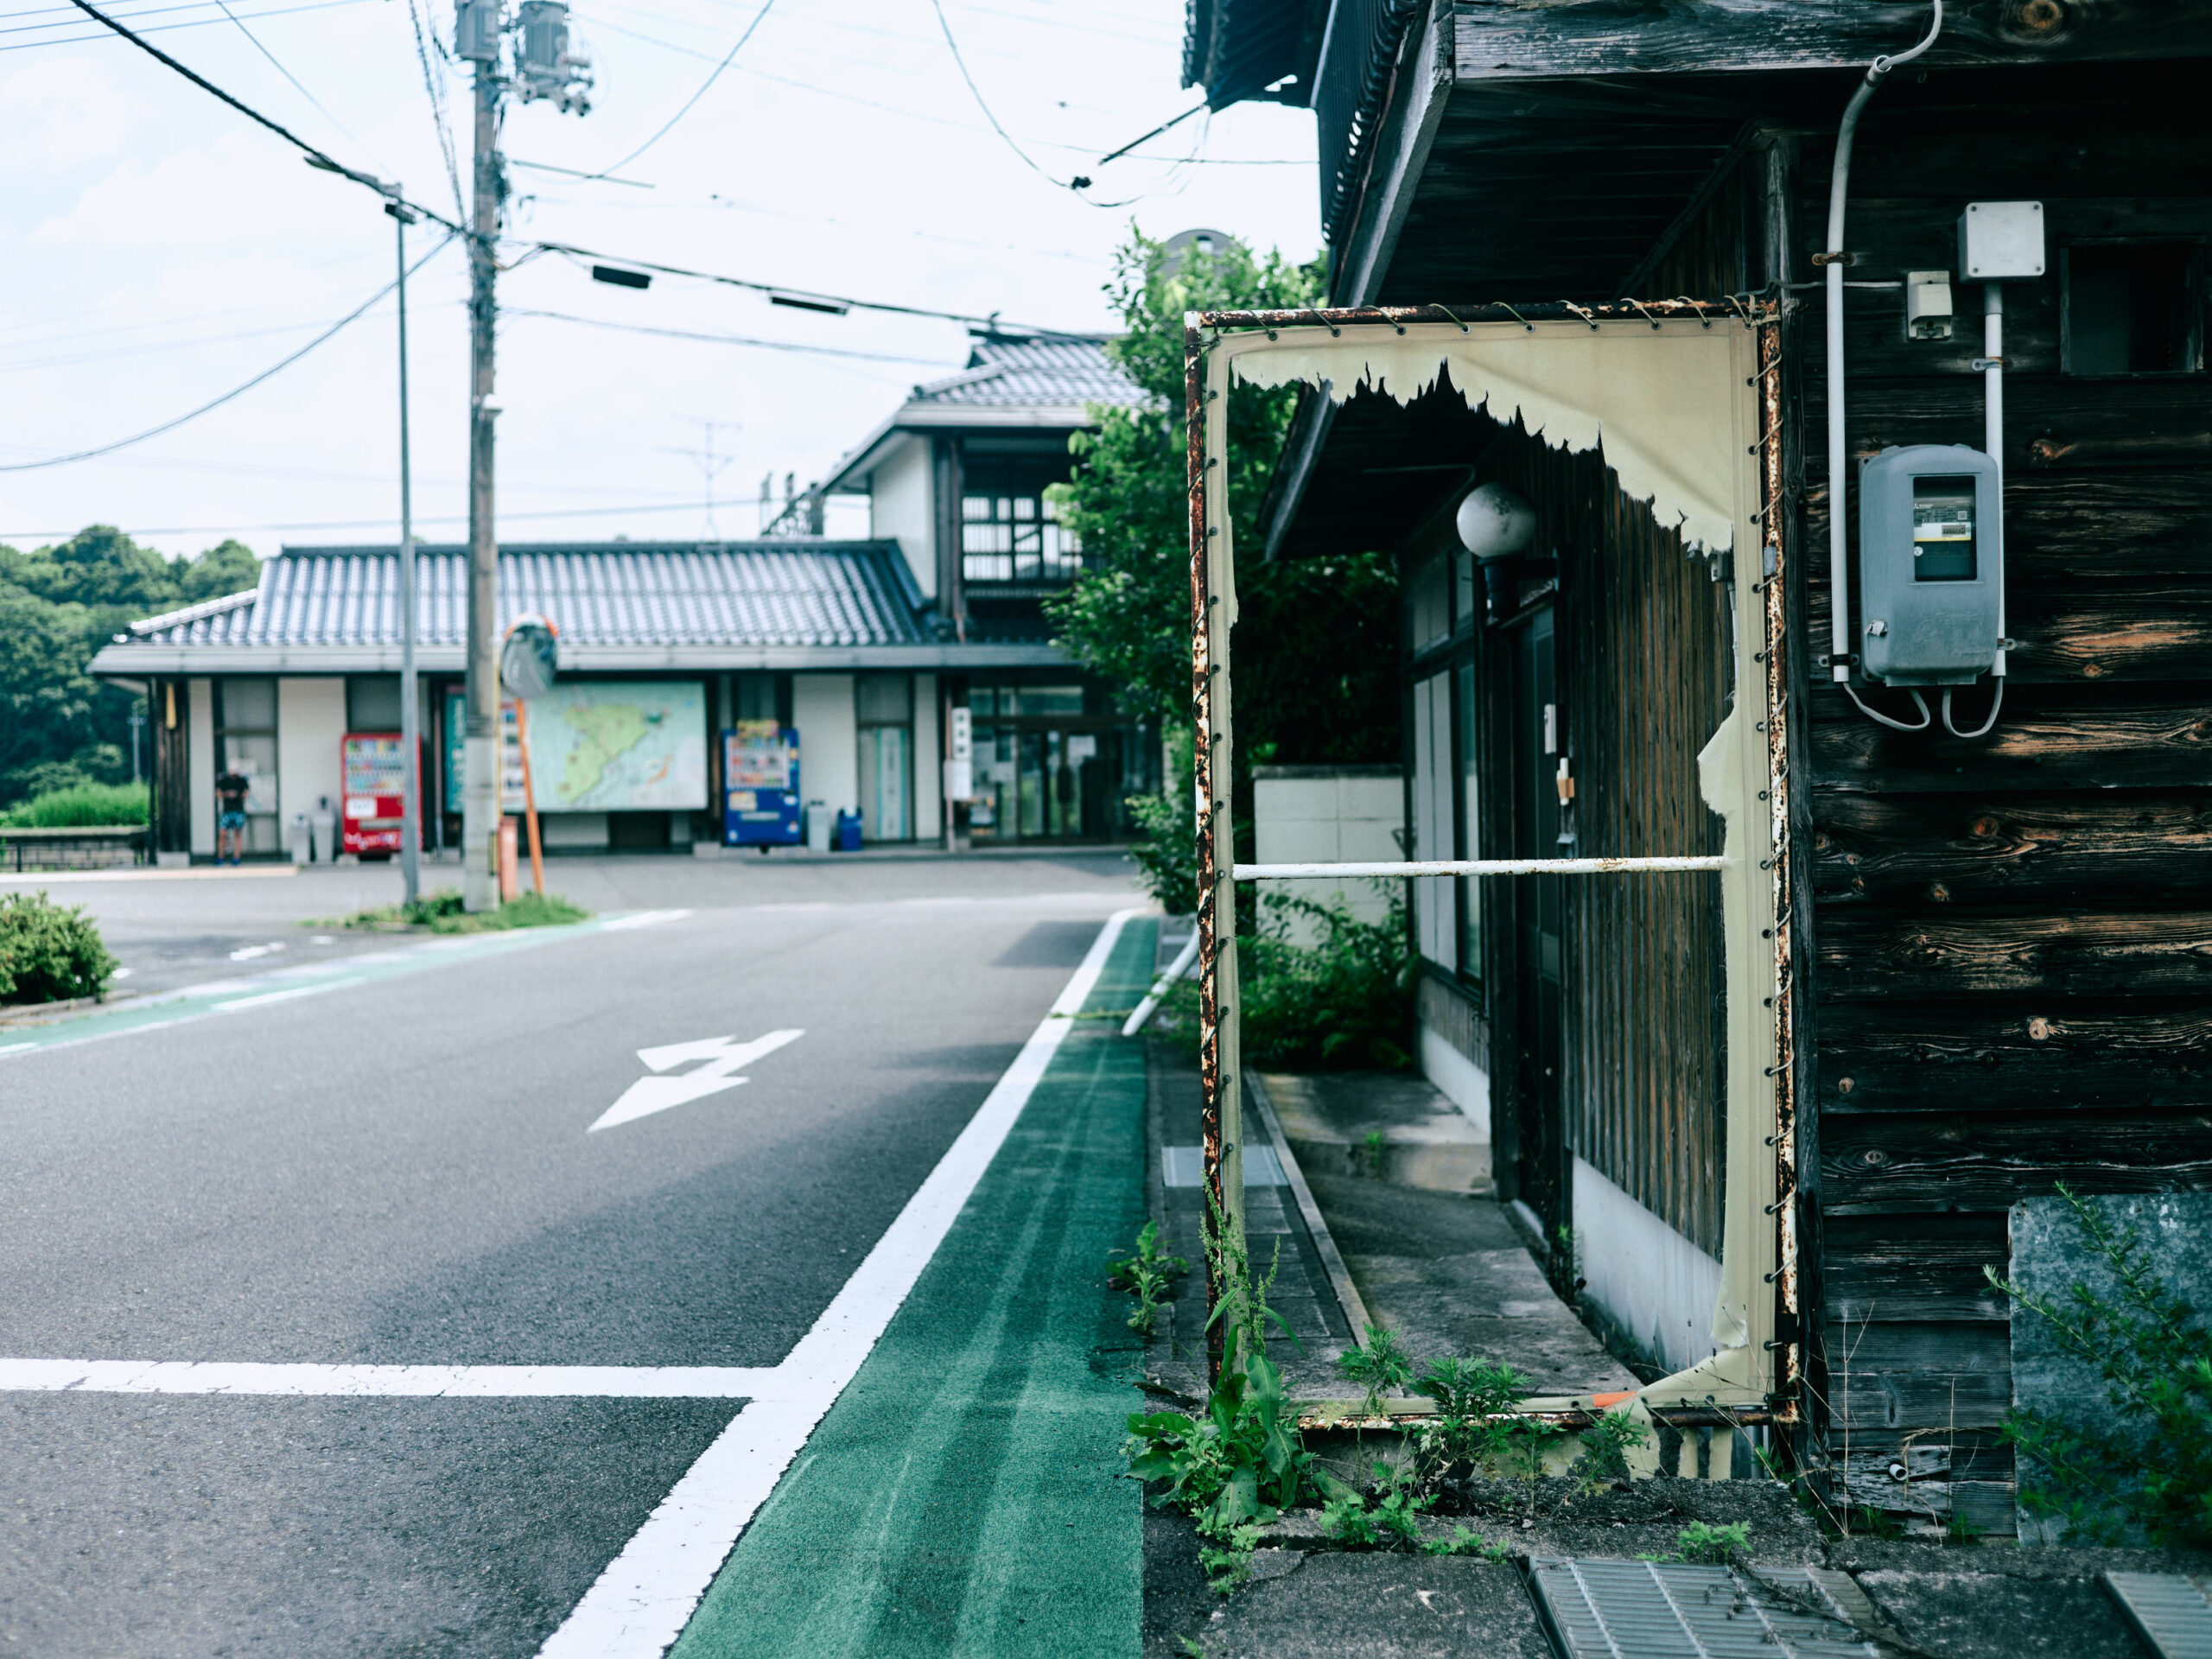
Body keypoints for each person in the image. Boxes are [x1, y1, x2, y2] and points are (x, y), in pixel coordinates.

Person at [215, 768, 250, 865]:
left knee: (237, 833)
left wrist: (240, 796)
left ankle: (236, 857)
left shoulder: (241, 781)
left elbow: (245, 794)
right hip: (227, 811)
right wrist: (225, 795)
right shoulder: (224, 781)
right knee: (222, 834)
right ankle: (220, 856)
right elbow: (218, 793)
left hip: (238, 810)